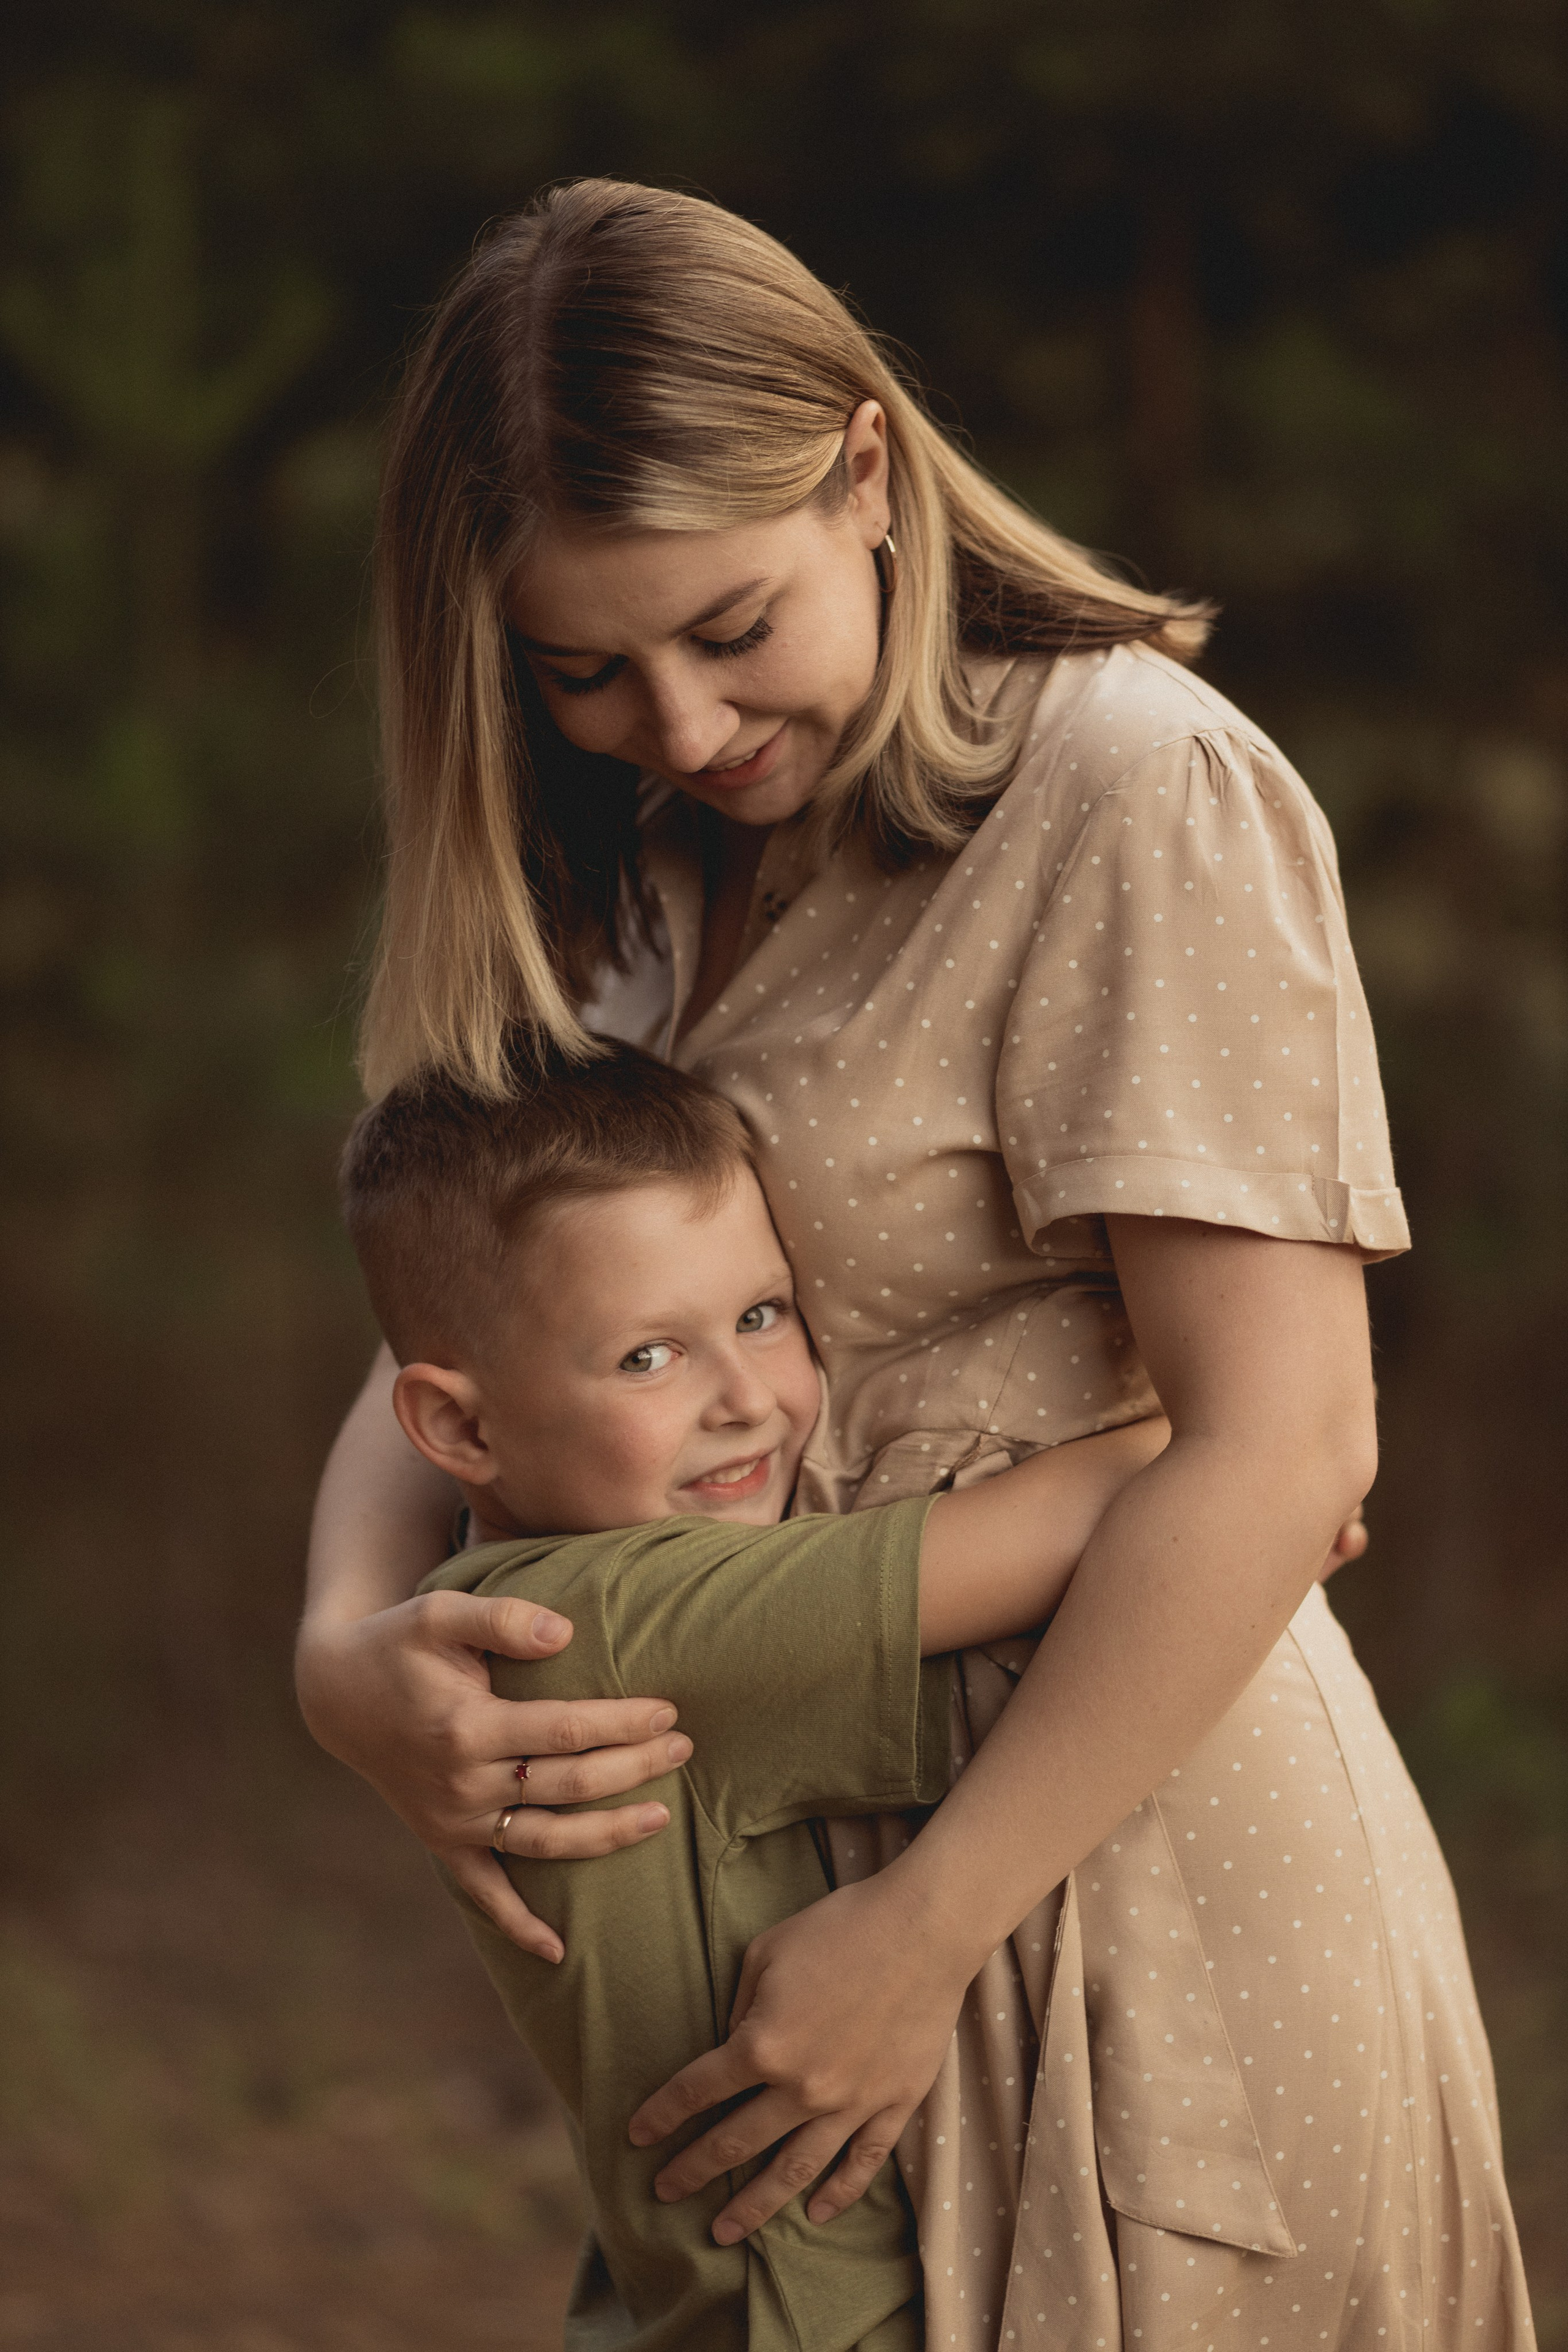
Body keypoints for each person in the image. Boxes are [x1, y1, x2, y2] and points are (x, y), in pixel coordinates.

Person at [296, 179, 1533, 2345]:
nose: (682, 722)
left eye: (732, 628)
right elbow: (489, 1326)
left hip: (1126, 1883)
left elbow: (1283, 1449)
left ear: (864, 473)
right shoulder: (642, 860)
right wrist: (343, 1646)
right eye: (587, 671)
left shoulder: (1131, 789)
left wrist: (933, 1928)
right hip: (778, 1892)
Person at [339, 1038, 1169, 2352]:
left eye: (762, 1316)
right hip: (820, 2320)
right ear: (463, 1429)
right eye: (646, 1359)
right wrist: (1250, 1466)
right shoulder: (613, 1616)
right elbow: (1134, 1496)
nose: (743, 1400)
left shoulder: (494, 1587)